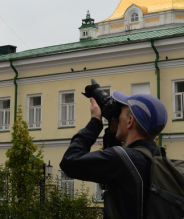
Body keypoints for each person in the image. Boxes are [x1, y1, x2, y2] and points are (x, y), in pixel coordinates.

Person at [60, 91, 168, 219]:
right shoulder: (158, 158)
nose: (117, 117)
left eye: (120, 113)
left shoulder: (121, 160)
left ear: (130, 121)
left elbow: (69, 162)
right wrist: (112, 133)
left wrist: (95, 122)